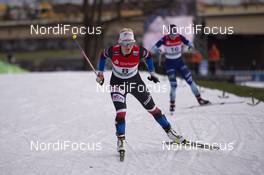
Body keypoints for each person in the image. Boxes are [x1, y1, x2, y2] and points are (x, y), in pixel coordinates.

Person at [96, 28, 185, 155]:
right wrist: (100, 73)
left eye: (131, 44)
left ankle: (171, 133)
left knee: (153, 109)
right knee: (121, 112)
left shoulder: (139, 51)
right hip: (117, 84)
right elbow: (102, 55)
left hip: (135, 82)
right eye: (125, 44)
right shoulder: (113, 51)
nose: (128, 47)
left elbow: (148, 56)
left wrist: (152, 72)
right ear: (119, 43)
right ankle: (121, 140)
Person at [150, 24, 210, 112]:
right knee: (174, 85)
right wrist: (158, 50)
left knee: (190, 81)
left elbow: (191, 44)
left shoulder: (179, 37)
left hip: (179, 63)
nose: (174, 37)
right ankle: (172, 105)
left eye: (175, 34)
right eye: (172, 35)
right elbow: (153, 49)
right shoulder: (165, 38)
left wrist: (190, 46)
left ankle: (199, 99)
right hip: (170, 64)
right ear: (169, 33)